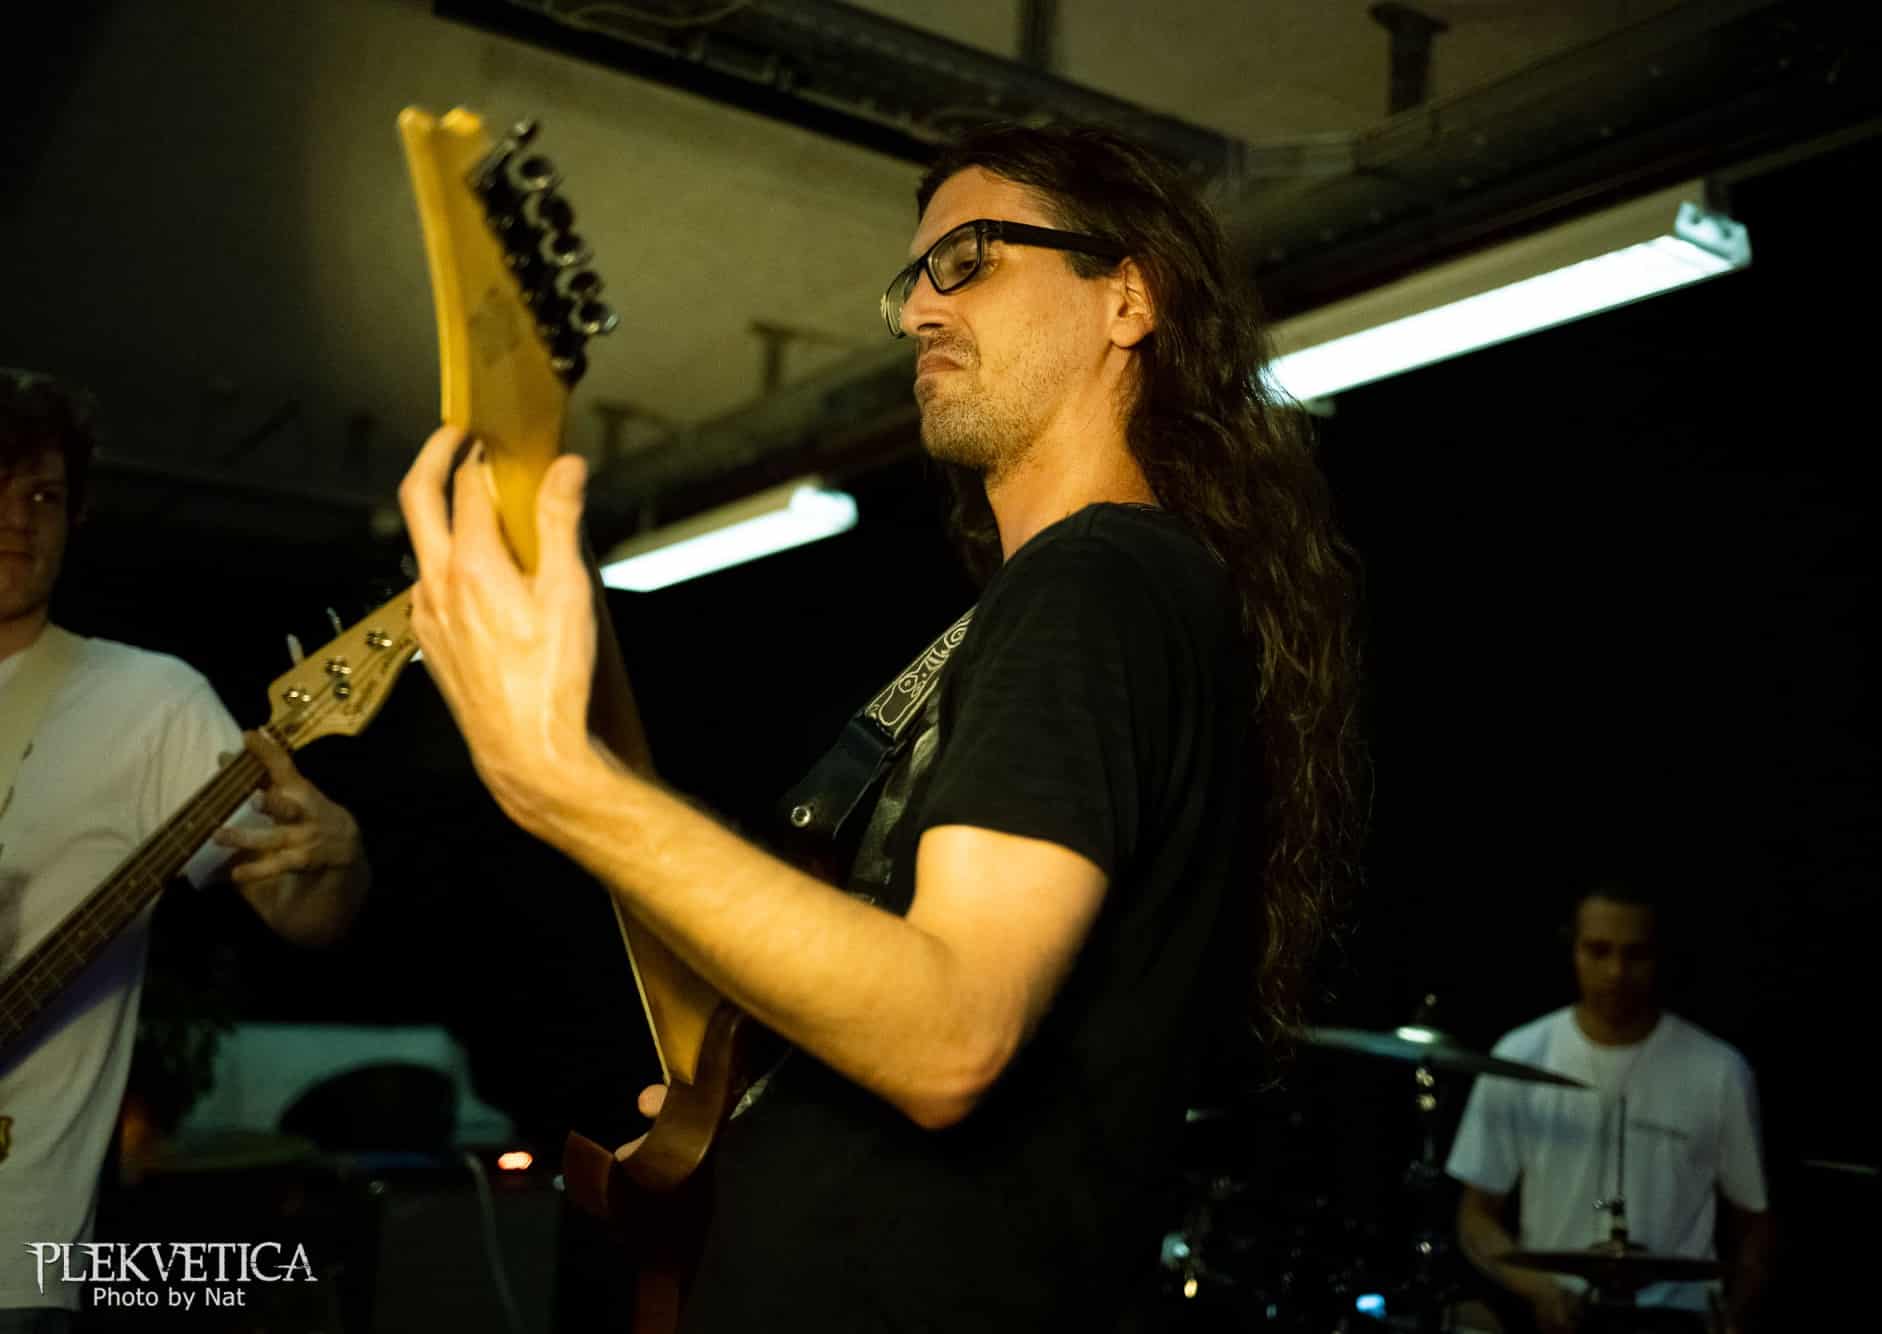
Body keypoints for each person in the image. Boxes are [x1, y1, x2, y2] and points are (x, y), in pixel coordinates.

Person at [397, 123, 1364, 1330]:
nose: (915, 312)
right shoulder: (1057, 603)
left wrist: (557, 776)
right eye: (913, 279)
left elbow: (951, 1034)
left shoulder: (1096, 586)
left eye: (967, 259)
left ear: (1127, 297)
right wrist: (755, 1097)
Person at [0, 369, 371, 1329]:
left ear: (76, 514)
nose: (17, 521)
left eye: (43, 496)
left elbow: (300, 911)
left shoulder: (148, 702)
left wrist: (334, 865)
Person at [1448, 880, 1775, 1333]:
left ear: (1660, 956)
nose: (1616, 972)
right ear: (1573, 949)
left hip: (1673, 1317)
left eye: (1635, 954)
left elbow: (1755, 1224)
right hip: (1552, 1311)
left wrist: (1735, 1314)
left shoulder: (1720, 1071)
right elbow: (1476, 1215)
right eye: (1598, 951)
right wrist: (1539, 1289)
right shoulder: (1520, 1055)